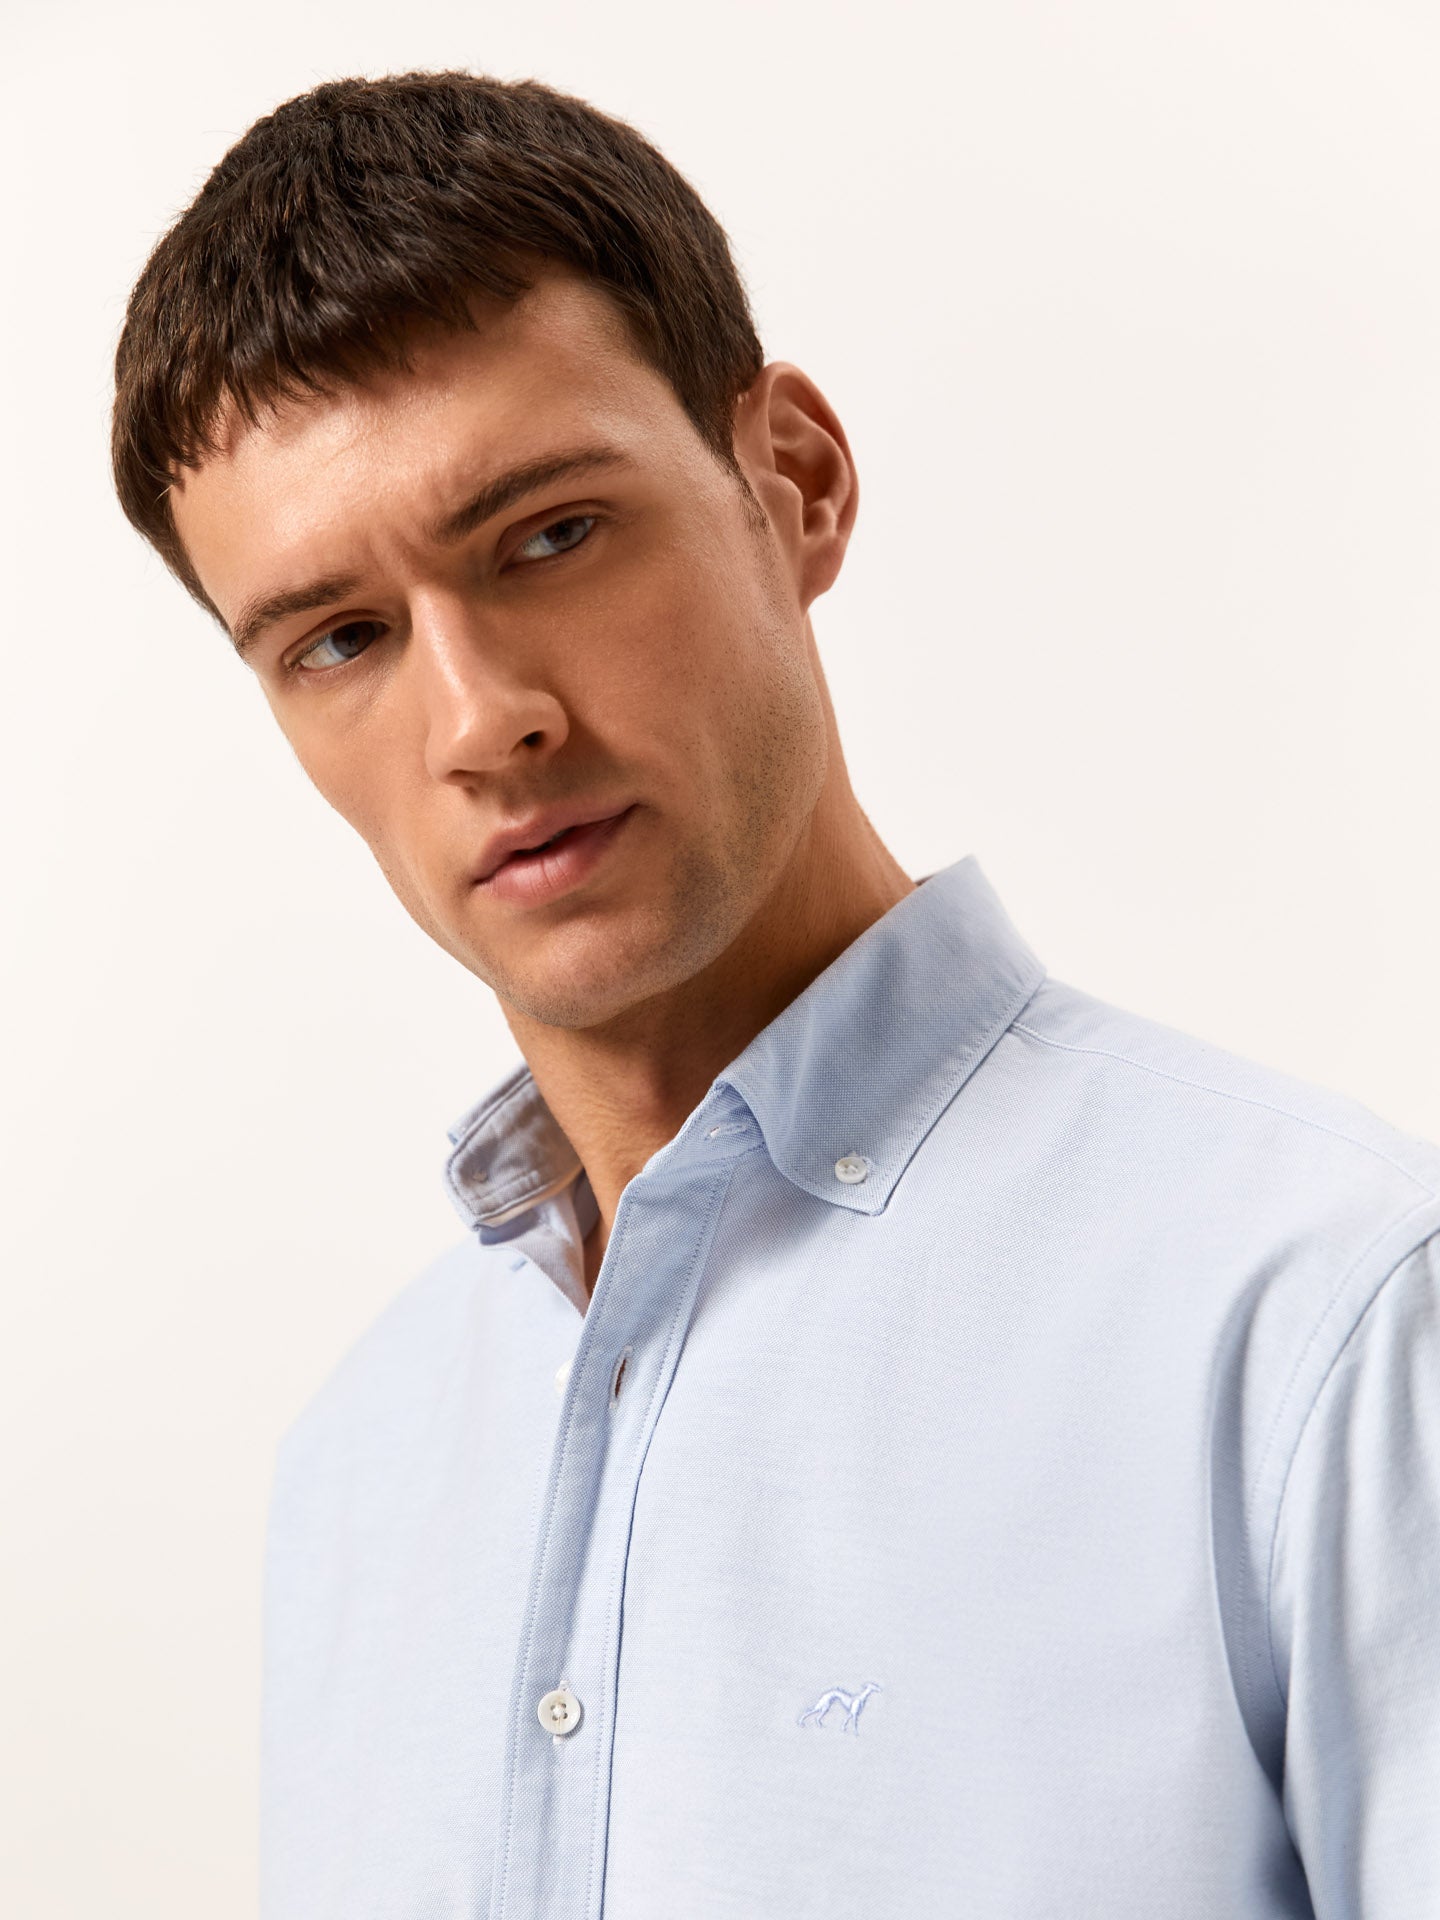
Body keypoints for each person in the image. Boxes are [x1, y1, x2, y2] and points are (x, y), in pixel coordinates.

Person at [111, 69, 1439, 1920]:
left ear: (791, 484)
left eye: (551, 535)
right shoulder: (361, 1469)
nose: (483, 721)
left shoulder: (1322, 1317)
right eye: (340, 640)